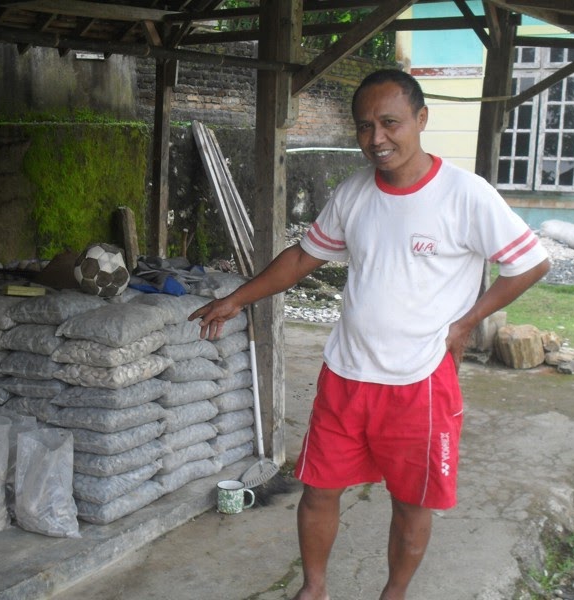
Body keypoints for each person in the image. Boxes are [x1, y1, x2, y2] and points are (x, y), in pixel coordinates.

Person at [189, 68, 550, 600]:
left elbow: (530, 263)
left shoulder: (465, 194)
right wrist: (236, 298)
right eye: (364, 127)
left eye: (390, 122)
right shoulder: (354, 191)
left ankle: (393, 594)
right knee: (317, 490)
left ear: (421, 119)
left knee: (411, 503)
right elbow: (301, 258)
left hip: (420, 381)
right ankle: (314, 589)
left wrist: (467, 321)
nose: (376, 139)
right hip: (346, 372)